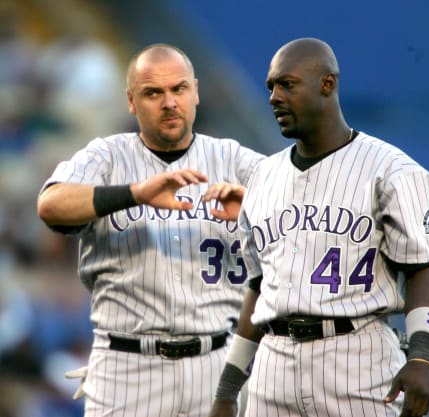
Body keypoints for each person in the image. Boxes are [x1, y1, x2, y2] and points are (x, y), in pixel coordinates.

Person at [206, 38, 429, 417]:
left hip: (356, 358)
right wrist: (227, 389)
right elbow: (257, 288)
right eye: (270, 87)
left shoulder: (392, 171)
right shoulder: (263, 176)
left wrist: (422, 357)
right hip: (274, 366)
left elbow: (421, 269)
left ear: (327, 84)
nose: (274, 97)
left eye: (287, 84)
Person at [36, 43, 265, 417]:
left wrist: (257, 209)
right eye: (153, 93)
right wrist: (135, 193)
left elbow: (305, 212)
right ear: (131, 101)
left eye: (178, 89)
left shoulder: (233, 159)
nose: (169, 102)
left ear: (195, 92)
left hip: (219, 362)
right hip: (127, 366)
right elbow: (51, 206)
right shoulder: (107, 156)